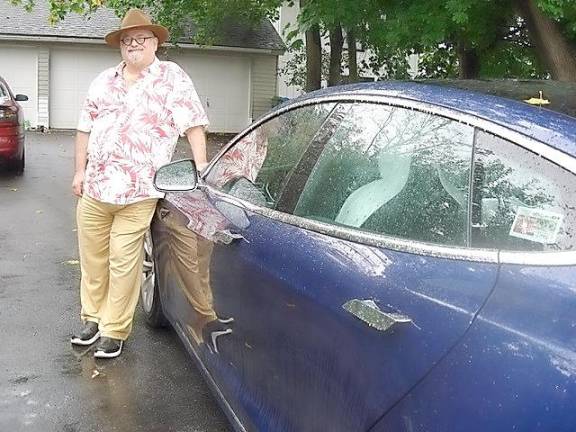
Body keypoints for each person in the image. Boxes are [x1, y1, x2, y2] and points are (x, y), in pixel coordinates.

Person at [70, 8, 209, 359]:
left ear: (155, 42)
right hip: (95, 188)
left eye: (141, 39)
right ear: (120, 46)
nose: (133, 45)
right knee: (93, 259)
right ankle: (92, 319)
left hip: (139, 191)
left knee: (123, 260)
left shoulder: (171, 78)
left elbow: (192, 123)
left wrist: (202, 166)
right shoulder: (103, 80)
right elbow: (84, 128)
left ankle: (114, 330)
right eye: (127, 40)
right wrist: (79, 171)